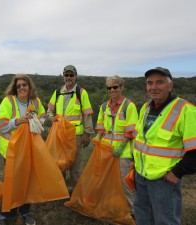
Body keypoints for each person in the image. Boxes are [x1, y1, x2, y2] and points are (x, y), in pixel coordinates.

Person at [133, 67, 196, 225]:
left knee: (165, 220)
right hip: (141, 175)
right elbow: (141, 140)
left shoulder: (185, 110)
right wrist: (135, 164)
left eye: (160, 82)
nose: (153, 87)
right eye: (149, 83)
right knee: (143, 216)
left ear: (170, 85)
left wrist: (177, 172)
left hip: (164, 179)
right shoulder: (146, 107)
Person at [0, 74, 46, 225]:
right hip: (12, 149)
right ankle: (6, 214)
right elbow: (0, 126)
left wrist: (38, 121)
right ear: (15, 88)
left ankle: (25, 212)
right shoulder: (8, 101)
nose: (22, 88)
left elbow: (43, 116)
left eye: (24, 85)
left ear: (29, 86)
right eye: (18, 86)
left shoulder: (35, 102)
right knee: (11, 182)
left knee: (27, 182)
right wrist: (18, 121)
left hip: (30, 149)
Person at [95, 75, 138, 215]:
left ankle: (132, 212)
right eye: (109, 88)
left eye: (115, 87)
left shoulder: (129, 106)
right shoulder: (104, 107)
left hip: (123, 153)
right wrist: (98, 139)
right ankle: (112, 207)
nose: (112, 90)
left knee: (125, 183)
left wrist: (121, 147)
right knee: (107, 180)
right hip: (106, 150)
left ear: (121, 87)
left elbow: (131, 131)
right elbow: (101, 126)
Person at [47, 65, 94, 192]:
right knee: (59, 162)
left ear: (76, 76)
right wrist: (51, 118)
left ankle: (76, 193)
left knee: (75, 166)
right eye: (66, 75)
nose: (68, 77)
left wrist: (87, 134)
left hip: (75, 136)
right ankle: (61, 190)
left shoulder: (81, 92)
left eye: (71, 75)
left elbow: (87, 114)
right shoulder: (57, 92)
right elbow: (49, 110)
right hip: (59, 134)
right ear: (63, 76)